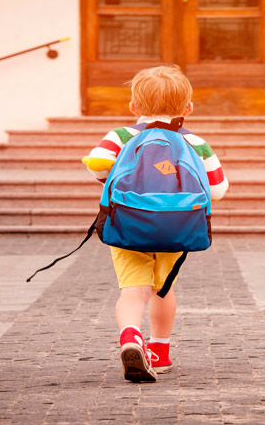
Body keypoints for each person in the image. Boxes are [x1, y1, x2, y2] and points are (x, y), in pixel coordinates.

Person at [82, 65, 229, 382]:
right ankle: (160, 353)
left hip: (127, 227)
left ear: (133, 107)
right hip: (176, 228)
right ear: (187, 108)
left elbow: (97, 163)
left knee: (132, 291)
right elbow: (216, 190)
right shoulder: (196, 142)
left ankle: (131, 339)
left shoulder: (121, 135)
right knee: (163, 289)